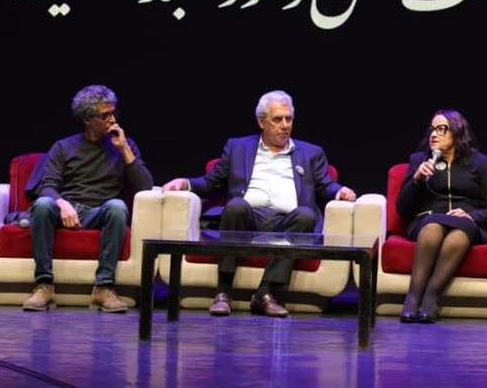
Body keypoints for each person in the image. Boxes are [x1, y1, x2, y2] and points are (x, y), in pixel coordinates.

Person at [162, 89, 356, 318]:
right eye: (278, 119)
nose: (285, 125)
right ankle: (223, 292)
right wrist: (184, 183)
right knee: (236, 206)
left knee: (306, 215)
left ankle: (264, 294)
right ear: (262, 122)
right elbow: (211, 182)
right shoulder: (238, 147)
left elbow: (324, 184)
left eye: (289, 119)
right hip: (248, 219)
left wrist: (340, 191)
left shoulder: (311, 152)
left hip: (288, 222)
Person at [22, 85, 154, 312]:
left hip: (99, 212)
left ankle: (103, 288)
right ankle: (44, 286)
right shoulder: (63, 147)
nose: (113, 120)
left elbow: (146, 186)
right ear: (87, 119)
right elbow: (47, 186)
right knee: (43, 205)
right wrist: (62, 204)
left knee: (117, 206)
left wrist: (124, 149)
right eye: (105, 115)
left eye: (114, 113)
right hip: (67, 211)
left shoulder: (124, 146)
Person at [395, 109, 487, 323]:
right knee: (433, 226)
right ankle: (412, 299)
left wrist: (471, 215)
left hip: (466, 224)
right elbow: (402, 208)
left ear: (457, 132)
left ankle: (430, 299)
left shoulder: (478, 162)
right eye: (432, 129)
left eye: (441, 129)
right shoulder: (419, 160)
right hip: (427, 221)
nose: (434, 134)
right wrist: (416, 179)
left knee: (460, 231)